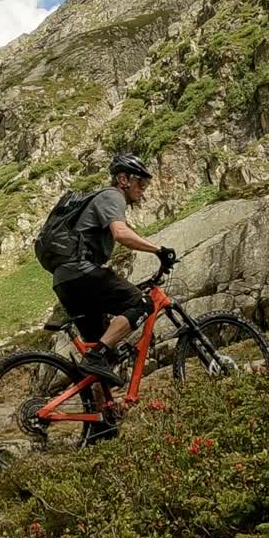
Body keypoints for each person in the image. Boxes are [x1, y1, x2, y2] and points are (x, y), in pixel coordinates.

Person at [51, 154, 176, 386]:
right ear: (123, 179)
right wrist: (159, 250)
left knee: (101, 357)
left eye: (146, 184)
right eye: (140, 182)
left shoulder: (100, 199)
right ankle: (97, 356)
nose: (143, 189)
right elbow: (121, 233)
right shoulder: (112, 196)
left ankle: (101, 409)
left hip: (64, 280)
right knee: (143, 304)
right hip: (81, 272)